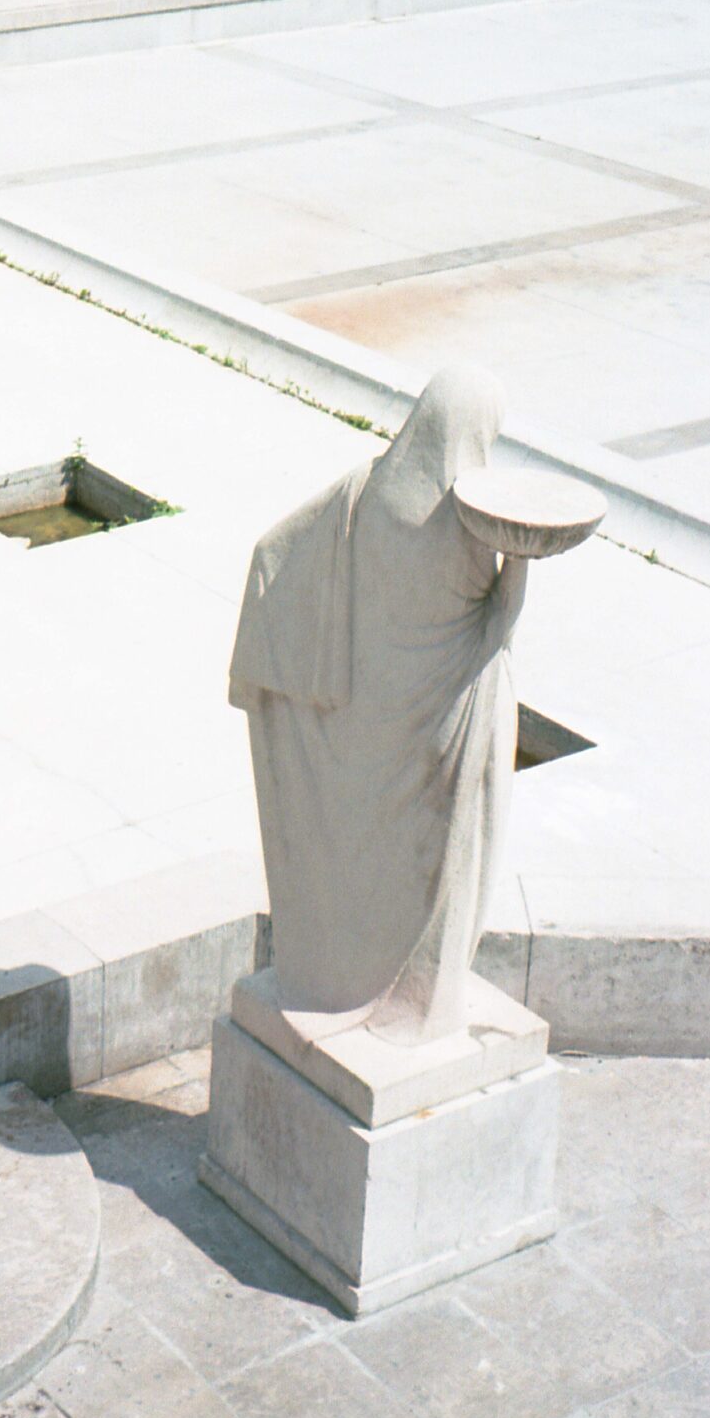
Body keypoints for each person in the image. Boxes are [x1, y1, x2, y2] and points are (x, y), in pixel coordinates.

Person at [228, 366, 525, 1045]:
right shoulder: (472, 523)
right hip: (447, 730)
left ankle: (349, 978)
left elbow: (276, 548)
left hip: (371, 727)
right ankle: (424, 999)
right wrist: (523, 561)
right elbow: (498, 623)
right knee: (446, 863)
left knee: (373, 865)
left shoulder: (368, 490)